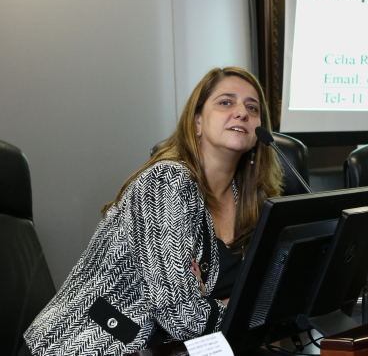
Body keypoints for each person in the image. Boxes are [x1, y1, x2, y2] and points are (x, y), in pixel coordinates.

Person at [21, 67, 284, 356]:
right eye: (226, 102)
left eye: (252, 108)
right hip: (94, 345)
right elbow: (182, 317)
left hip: (178, 349)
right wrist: (245, 310)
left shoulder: (251, 202)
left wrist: (216, 304)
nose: (241, 113)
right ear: (197, 121)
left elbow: (267, 293)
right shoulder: (166, 181)